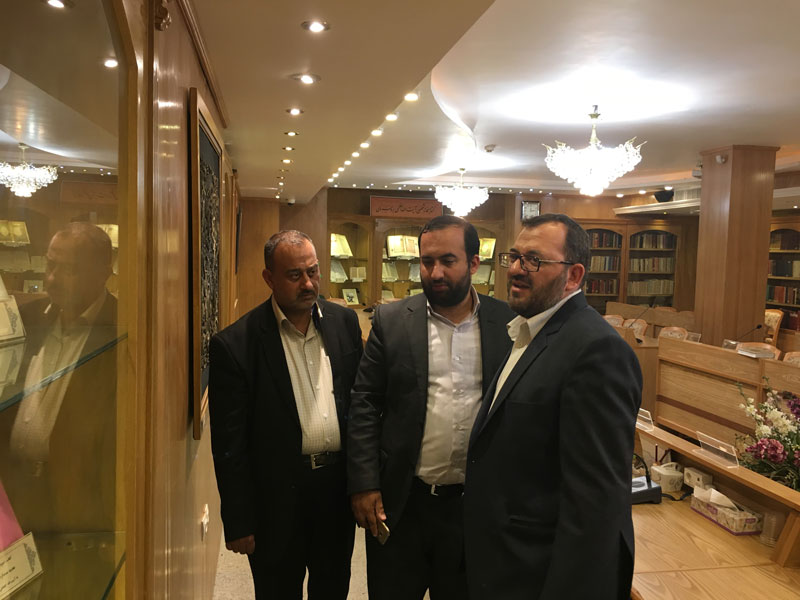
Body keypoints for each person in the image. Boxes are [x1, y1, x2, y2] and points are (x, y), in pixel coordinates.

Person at [464, 214, 642, 600]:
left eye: (534, 260)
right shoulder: (527, 330)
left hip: (539, 574)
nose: (516, 269)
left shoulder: (597, 350)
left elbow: (595, 506)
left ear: (573, 276)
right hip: (504, 563)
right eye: (514, 257)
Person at [348, 215, 515, 599]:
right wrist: (364, 483)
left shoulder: (507, 324)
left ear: (474, 263)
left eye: (447, 261)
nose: (435, 272)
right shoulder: (392, 321)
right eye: (427, 261)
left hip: (474, 510)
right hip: (403, 504)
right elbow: (365, 403)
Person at [209, 230, 362, 599]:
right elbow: (229, 446)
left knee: (333, 589)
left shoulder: (344, 323)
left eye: (313, 272)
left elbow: (361, 406)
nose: (308, 284)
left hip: (335, 492)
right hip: (275, 501)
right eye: (295, 275)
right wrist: (238, 520)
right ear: (269, 278)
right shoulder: (236, 345)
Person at [0, 222, 118, 597]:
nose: (52, 279)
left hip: (76, 512)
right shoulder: (29, 318)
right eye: (50, 265)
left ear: (103, 272)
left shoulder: (124, 328)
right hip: (14, 500)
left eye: (69, 270)